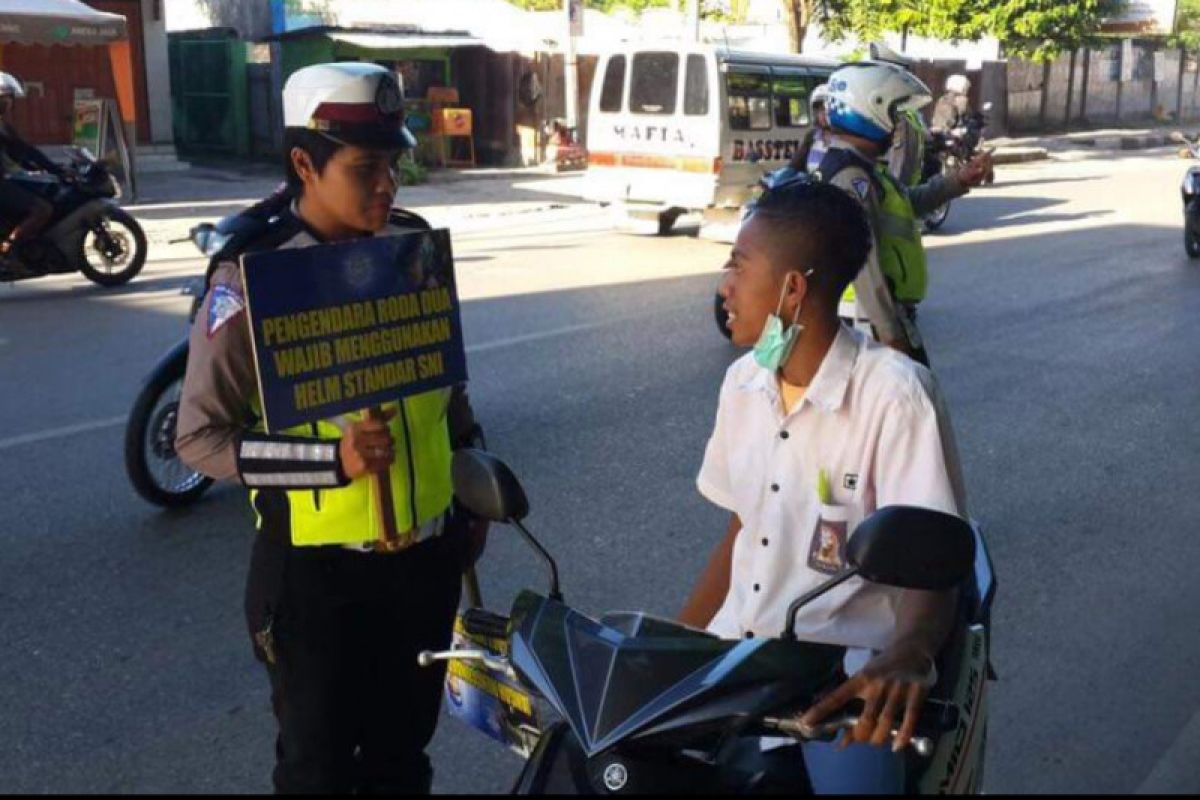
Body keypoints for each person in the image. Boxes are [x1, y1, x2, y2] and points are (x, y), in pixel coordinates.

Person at [175, 62, 486, 795]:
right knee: (314, 771)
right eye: (367, 167)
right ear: (303, 165)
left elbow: (447, 387)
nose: (389, 186)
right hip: (317, 582)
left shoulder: (413, 249)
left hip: (425, 565)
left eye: (394, 164)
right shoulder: (253, 278)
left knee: (402, 762)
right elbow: (199, 439)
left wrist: (468, 486)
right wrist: (329, 462)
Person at [683, 178, 967, 793]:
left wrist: (911, 649)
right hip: (738, 663)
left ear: (792, 288)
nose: (723, 285)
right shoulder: (741, 385)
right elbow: (741, 527)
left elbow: (931, 561)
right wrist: (669, 651)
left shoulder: (894, 395)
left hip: (840, 685)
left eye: (737, 263)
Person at [812, 61, 993, 364]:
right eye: (894, 114)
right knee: (917, 405)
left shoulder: (864, 170)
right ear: (871, 110)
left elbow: (904, 204)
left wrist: (958, 180)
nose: (897, 124)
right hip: (865, 325)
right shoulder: (849, 178)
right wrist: (890, 335)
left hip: (876, 320)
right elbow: (863, 263)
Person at [0, 72, 60, 261]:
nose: (8, 103)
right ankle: (8, 247)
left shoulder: (3, 126)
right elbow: (23, 150)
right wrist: (53, 169)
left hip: (7, 178)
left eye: (9, 99)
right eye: (4, 98)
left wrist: (51, 168)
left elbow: (23, 151)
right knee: (42, 209)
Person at [788, 84, 832, 175]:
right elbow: (794, 166)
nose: (823, 114)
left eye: (826, 109)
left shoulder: (846, 137)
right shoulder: (812, 136)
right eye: (819, 110)